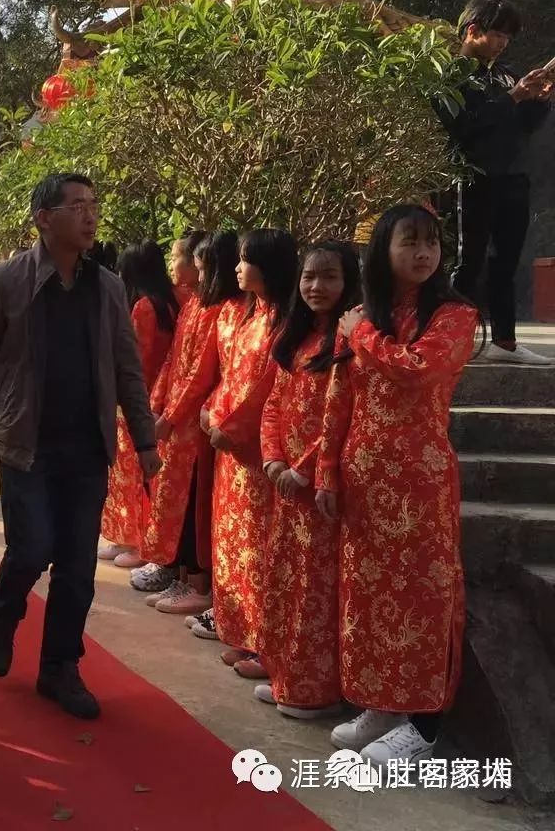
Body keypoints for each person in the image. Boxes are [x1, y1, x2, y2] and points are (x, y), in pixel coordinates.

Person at [0, 173, 158, 721]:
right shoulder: (4, 282)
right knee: (31, 548)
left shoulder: (109, 287)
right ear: (44, 218)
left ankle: (59, 668)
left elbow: (127, 366)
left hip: (87, 448)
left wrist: (144, 437)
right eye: (77, 206)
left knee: (76, 565)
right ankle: (1, 611)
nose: (90, 215)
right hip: (26, 446)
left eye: (93, 205)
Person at [317, 204, 479, 764]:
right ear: (383, 249)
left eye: (432, 243)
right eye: (410, 241)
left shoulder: (454, 316)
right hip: (365, 478)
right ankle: (383, 704)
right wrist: (326, 470)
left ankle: (425, 724)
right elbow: (340, 400)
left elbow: (418, 369)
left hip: (420, 481)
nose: (423, 253)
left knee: (423, 595)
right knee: (369, 596)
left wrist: (359, 332)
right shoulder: (370, 316)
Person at [257, 241, 360, 719]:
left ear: (350, 282)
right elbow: (275, 404)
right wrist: (275, 459)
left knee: (318, 589)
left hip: (319, 487)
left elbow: (345, 417)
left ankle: (316, 690)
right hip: (288, 485)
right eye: (309, 277)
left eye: (330, 277)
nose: (317, 287)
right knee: (289, 581)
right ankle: (286, 676)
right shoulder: (297, 339)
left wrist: (305, 469)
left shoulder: (351, 339)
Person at [438, 0, 552, 365]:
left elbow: (522, 129)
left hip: (512, 177)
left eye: (508, 38)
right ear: (473, 29)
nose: (503, 45)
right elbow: (460, 127)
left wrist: (539, 101)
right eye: (498, 35)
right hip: (472, 177)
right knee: (466, 261)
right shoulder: (451, 73)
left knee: (507, 261)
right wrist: (512, 99)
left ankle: (505, 342)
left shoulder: (506, 75)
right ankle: (448, 340)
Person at [136, 233, 238, 640]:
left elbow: (200, 374)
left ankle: (196, 582)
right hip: (180, 419)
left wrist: (172, 414)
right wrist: (158, 405)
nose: (177, 265)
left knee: (193, 501)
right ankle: (177, 570)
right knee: (174, 498)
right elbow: (173, 362)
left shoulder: (217, 309)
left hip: (198, 423)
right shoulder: (193, 304)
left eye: (184, 258)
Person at [204, 229, 298, 665]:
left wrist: (232, 427)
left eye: (246, 260)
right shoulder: (250, 316)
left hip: (258, 452)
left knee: (260, 548)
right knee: (235, 542)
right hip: (231, 449)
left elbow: (265, 389)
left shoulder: (283, 320)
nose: (238, 268)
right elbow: (231, 377)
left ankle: (265, 640)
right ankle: (240, 629)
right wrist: (212, 410)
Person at [99, 240, 180, 570]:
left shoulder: (145, 307)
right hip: (155, 397)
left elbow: (139, 360)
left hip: (139, 401)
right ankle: (126, 535)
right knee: (134, 473)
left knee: (131, 472)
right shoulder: (173, 301)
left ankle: (134, 538)